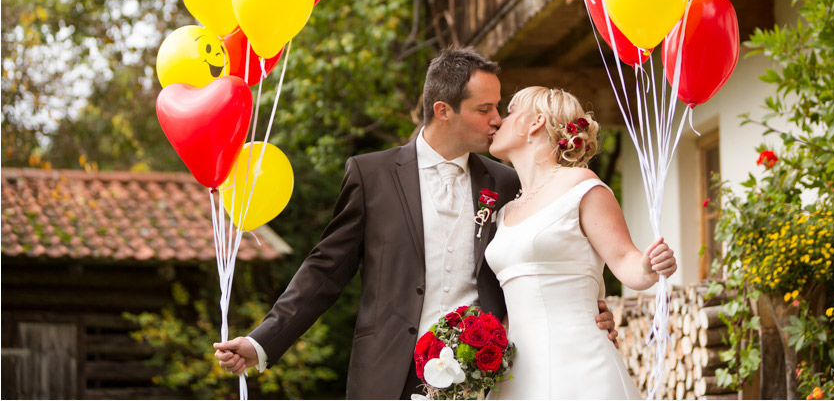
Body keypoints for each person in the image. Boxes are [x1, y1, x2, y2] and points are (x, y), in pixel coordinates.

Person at [212, 48, 616, 399]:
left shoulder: (509, 183)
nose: (497, 119)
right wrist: (261, 341)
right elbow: (325, 269)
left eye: (499, 108)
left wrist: (585, 309)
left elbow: (545, 253)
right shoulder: (371, 175)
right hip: (389, 373)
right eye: (484, 109)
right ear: (443, 110)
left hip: (487, 374)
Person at [486, 86, 677, 400]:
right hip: (515, 373)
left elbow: (628, 263)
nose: (498, 122)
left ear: (533, 123)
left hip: (579, 366)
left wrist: (649, 266)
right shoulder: (505, 210)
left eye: (509, 112)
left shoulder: (582, 185)